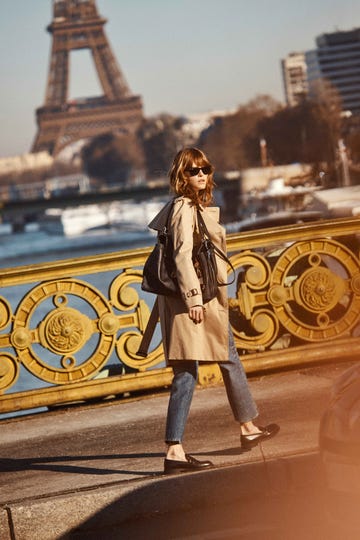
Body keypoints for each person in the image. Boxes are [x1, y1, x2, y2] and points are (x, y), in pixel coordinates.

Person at [148, 147, 279, 475]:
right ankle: (175, 449)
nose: (201, 174)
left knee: (226, 356)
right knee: (187, 372)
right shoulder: (183, 207)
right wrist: (193, 299)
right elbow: (181, 256)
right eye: (193, 170)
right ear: (182, 176)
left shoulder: (192, 206)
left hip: (199, 299)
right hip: (192, 302)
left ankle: (247, 428)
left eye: (204, 168)